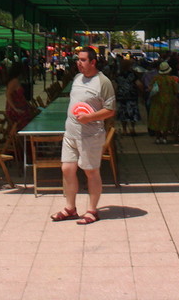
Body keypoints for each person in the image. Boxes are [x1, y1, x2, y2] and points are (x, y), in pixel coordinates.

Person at [50, 47, 115, 225]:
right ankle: (70, 208)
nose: (79, 63)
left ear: (93, 62)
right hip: (70, 133)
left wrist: (90, 117)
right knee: (67, 169)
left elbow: (110, 110)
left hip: (90, 136)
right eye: (78, 59)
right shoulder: (77, 78)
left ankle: (92, 210)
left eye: (83, 60)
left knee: (91, 171)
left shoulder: (103, 82)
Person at [148, 61, 178, 144]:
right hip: (168, 102)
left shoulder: (156, 79)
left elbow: (150, 88)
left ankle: (157, 138)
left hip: (157, 102)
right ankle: (164, 138)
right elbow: (176, 90)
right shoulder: (172, 79)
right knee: (166, 120)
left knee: (158, 120)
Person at [114, 59, 141, 136]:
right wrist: (141, 93)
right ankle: (132, 128)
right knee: (132, 113)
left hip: (121, 96)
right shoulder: (133, 75)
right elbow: (139, 84)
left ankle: (124, 129)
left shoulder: (118, 75)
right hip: (132, 96)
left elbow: (115, 86)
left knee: (123, 113)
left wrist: (115, 95)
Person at [5, 63, 34, 130]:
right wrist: (15, 108)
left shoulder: (16, 80)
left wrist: (28, 104)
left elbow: (21, 96)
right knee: (27, 120)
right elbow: (8, 94)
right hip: (16, 109)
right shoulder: (14, 81)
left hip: (20, 106)